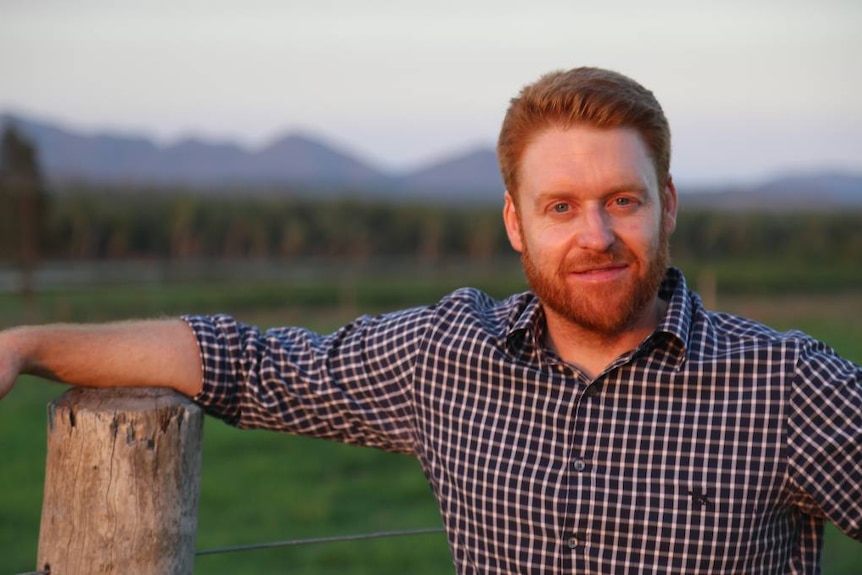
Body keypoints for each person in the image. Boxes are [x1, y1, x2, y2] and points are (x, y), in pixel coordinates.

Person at [0, 66, 859, 574]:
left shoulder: (787, 383)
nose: (596, 236)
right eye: (560, 206)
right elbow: (240, 361)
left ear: (666, 205)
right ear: (517, 223)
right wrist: (27, 344)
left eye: (622, 201)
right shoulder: (446, 356)